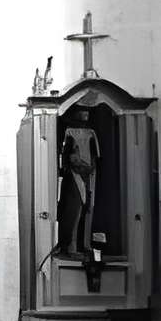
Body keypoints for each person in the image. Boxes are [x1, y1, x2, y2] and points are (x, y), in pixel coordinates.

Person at [58, 109, 101, 257]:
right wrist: (80, 167)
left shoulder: (91, 133)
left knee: (87, 209)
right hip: (75, 176)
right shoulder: (70, 132)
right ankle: (71, 246)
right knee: (74, 210)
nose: (86, 113)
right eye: (82, 110)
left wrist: (89, 169)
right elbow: (67, 156)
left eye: (88, 111)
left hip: (88, 175)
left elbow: (95, 157)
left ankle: (84, 245)